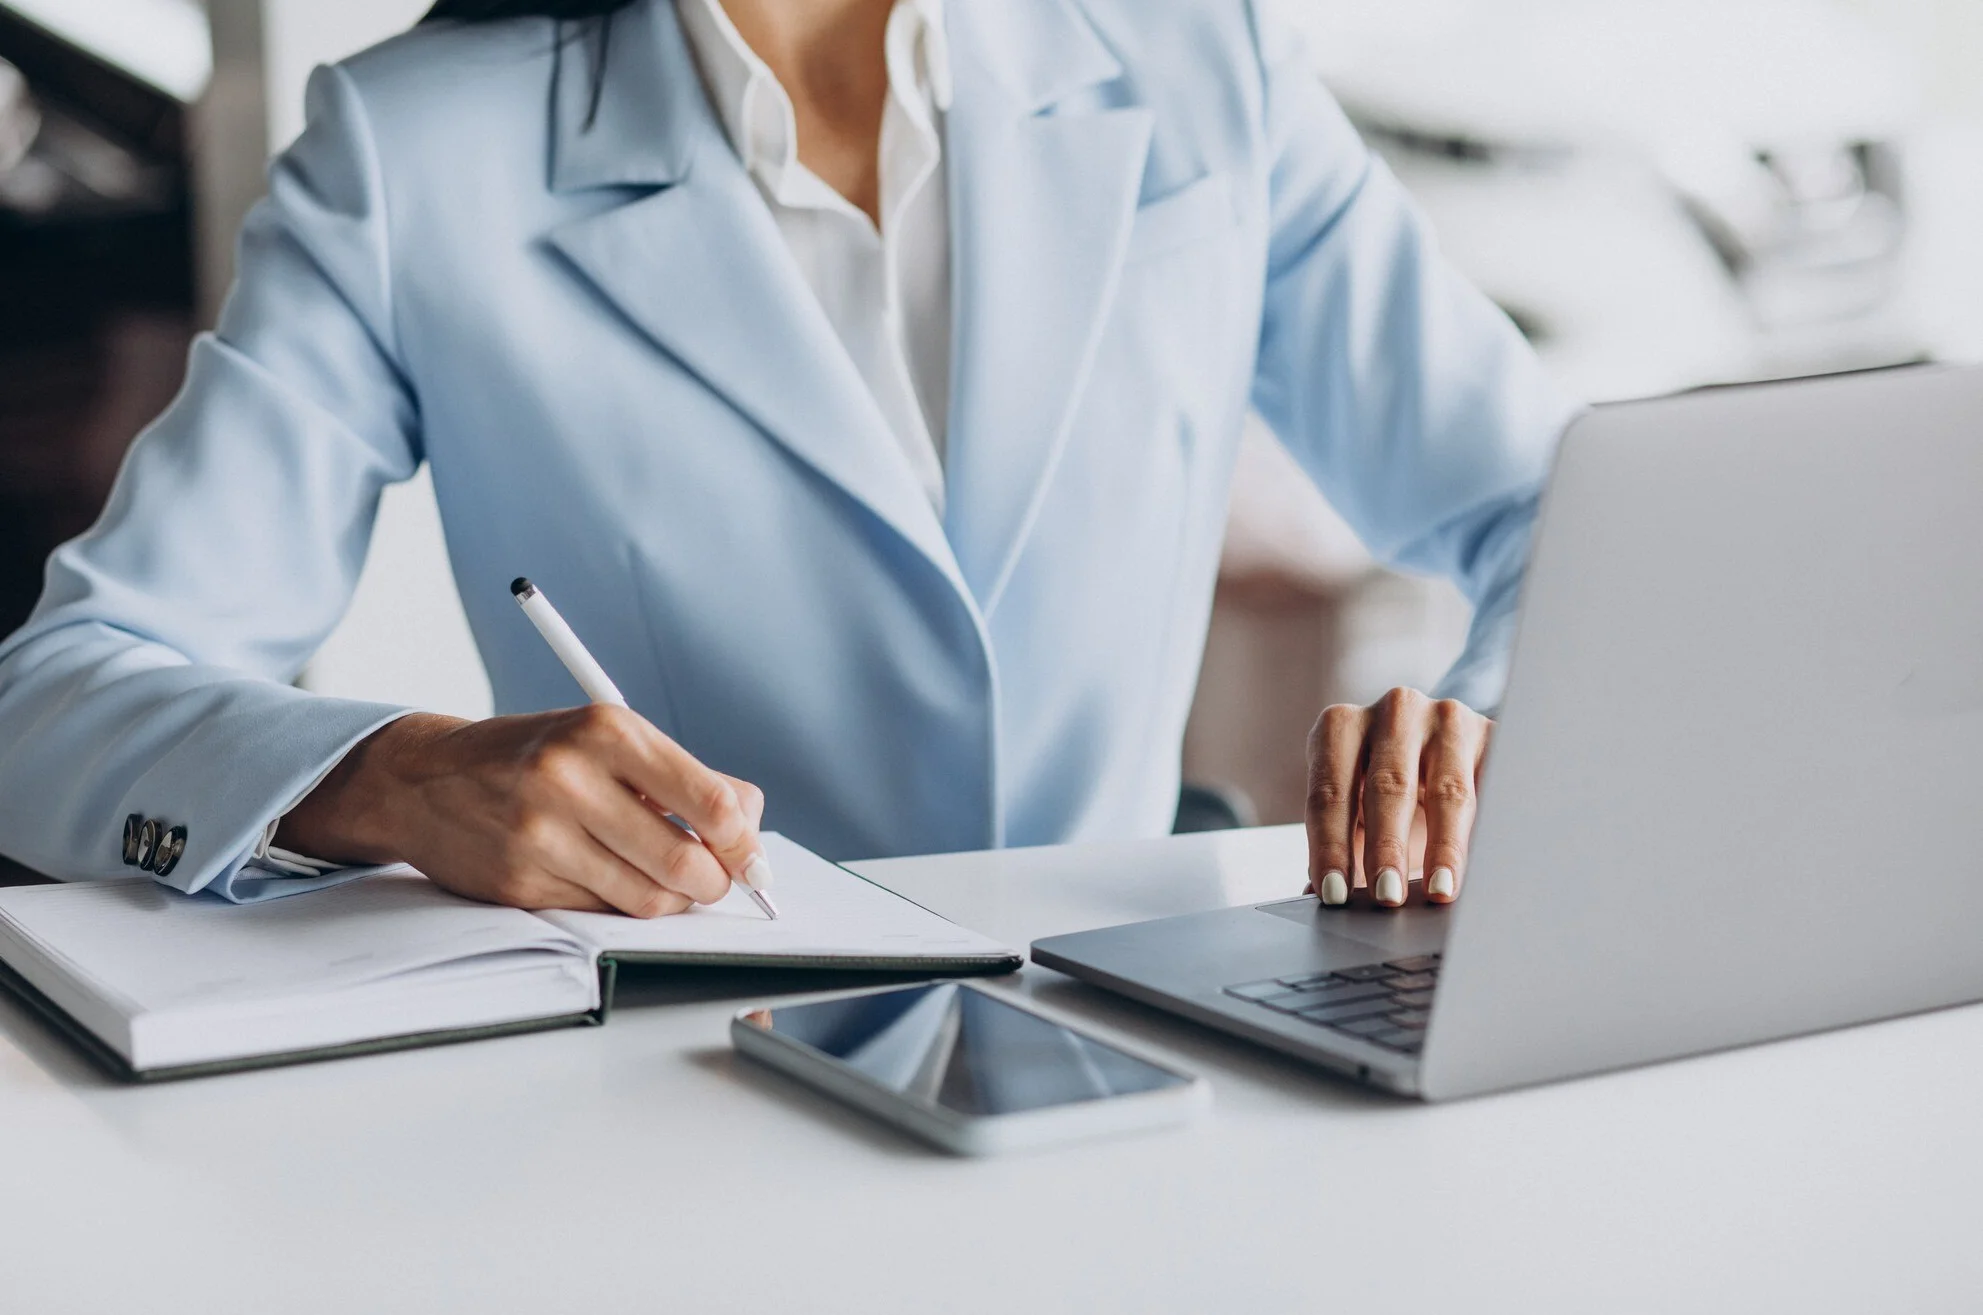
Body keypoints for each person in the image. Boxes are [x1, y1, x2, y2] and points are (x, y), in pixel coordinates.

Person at [0, 0, 1578, 915]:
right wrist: (397, 778)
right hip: (692, 1080)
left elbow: (1547, 507)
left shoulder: (1191, 49)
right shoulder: (414, 150)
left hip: (1149, 1028)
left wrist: (1485, 737)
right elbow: (58, 700)